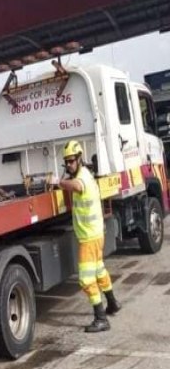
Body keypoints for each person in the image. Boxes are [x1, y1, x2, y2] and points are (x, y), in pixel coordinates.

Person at [58, 140, 121, 332]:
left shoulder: (83, 177)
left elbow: (77, 186)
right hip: (95, 234)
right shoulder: (85, 174)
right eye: (66, 162)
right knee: (99, 270)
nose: (68, 165)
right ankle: (112, 303)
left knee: (86, 279)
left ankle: (101, 318)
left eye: (71, 161)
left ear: (79, 159)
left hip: (89, 238)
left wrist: (58, 182)